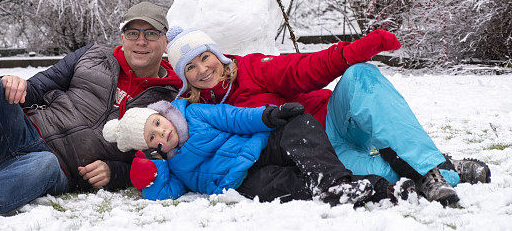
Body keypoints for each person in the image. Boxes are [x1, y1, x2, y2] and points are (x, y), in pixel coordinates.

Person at [0, 2, 182, 224]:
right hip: (19, 135)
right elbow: (38, 87)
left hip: (57, 169)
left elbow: (156, 158)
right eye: (133, 33)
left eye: (151, 34)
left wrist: (115, 171)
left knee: (45, 163)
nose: (141, 41)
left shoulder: (169, 98)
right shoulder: (93, 55)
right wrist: (15, 85)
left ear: (165, 41)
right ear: (122, 37)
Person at [166, 26, 492, 206]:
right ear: (184, 77)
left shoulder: (252, 69)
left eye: (204, 57)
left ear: (217, 54)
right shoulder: (197, 111)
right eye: (190, 67)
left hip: (335, 119)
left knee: (360, 76)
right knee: (376, 173)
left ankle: (428, 167)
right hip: (322, 155)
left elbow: (301, 69)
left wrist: (352, 52)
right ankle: (444, 170)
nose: (202, 69)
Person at [102, 100, 408, 206]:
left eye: (157, 123)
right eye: (152, 138)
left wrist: (269, 117)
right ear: (150, 149)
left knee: (299, 125)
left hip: (261, 146)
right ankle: (382, 190)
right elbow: (162, 194)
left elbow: (233, 117)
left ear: (162, 113)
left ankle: (332, 182)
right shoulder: (171, 166)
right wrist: (149, 176)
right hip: (244, 180)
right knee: (286, 185)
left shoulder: (194, 114)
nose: (162, 133)